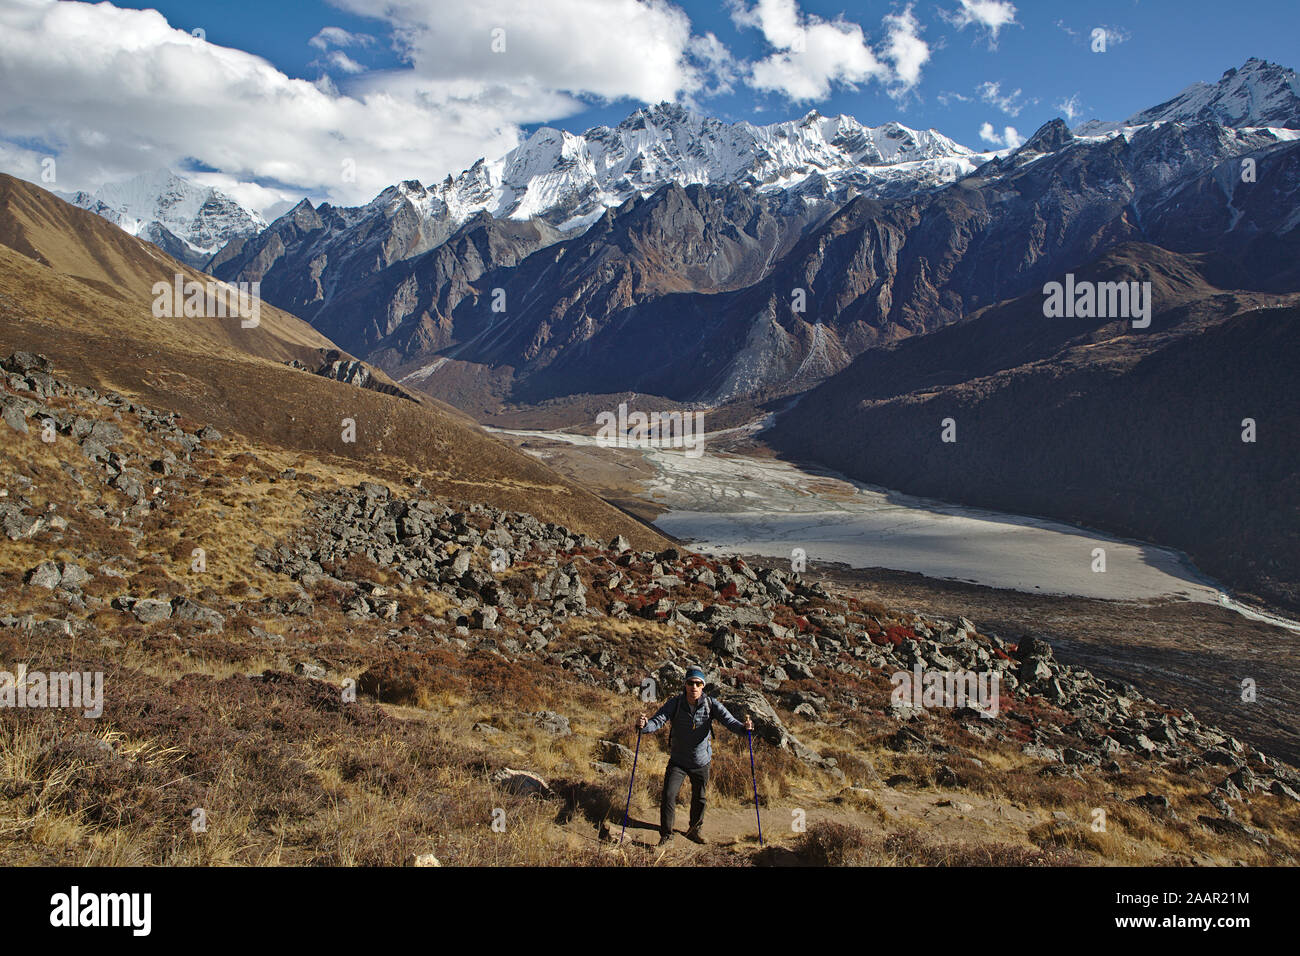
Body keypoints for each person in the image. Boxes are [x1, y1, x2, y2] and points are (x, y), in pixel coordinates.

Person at [637, 667, 753, 845]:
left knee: (700, 798)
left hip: (701, 761)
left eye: (698, 683)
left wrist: (744, 729)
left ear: (703, 686)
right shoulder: (675, 703)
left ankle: (694, 830)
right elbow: (658, 720)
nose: (694, 687)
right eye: (690, 683)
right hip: (678, 760)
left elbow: (729, 721)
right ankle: (667, 835)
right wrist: (644, 726)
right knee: (668, 795)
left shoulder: (711, 704)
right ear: (685, 685)